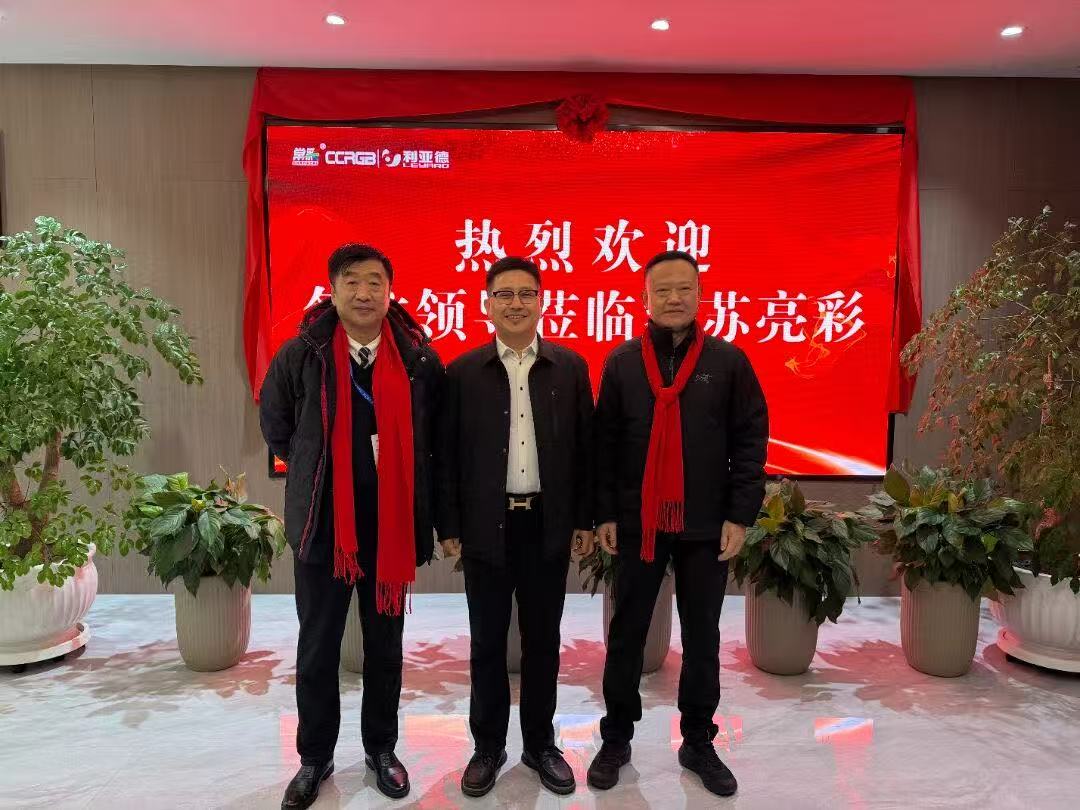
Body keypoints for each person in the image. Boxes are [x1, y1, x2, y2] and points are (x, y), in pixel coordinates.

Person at [260, 243, 444, 808]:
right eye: (352, 281)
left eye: (374, 282)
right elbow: (277, 425)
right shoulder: (303, 353)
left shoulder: (417, 358)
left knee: (385, 647)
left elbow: (434, 436)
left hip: (389, 527)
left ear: (390, 290)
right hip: (324, 528)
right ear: (333, 289)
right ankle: (314, 758)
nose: (364, 293)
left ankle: (382, 750)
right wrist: (316, 466)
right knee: (317, 647)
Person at [586, 250, 768, 798]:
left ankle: (698, 741)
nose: (673, 298)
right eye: (661, 290)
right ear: (644, 299)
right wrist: (604, 513)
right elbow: (604, 446)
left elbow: (749, 440)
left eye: (683, 288)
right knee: (627, 632)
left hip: (706, 524)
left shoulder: (728, 361)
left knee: (702, 636)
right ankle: (616, 738)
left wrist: (739, 514)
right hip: (638, 523)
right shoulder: (622, 363)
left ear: (700, 294)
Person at [438, 256, 595, 797]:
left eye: (526, 293)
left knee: (543, 641)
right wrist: (449, 523)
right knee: (486, 642)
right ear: (486, 304)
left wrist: (583, 520)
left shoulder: (570, 368)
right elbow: (446, 456)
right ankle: (487, 747)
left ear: (542, 301)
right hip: (486, 524)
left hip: (546, 524)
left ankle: (540, 744)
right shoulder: (462, 372)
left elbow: (586, 451)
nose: (515, 304)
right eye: (503, 294)